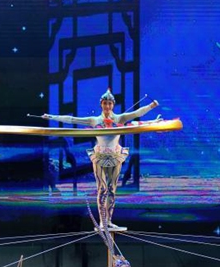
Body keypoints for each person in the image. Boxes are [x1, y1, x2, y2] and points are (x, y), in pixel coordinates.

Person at [42, 89, 159, 230]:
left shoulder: (120, 119)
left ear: (113, 105)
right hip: (99, 157)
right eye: (105, 103)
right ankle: (102, 222)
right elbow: (72, 120)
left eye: (109, 103)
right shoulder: (94, 120)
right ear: (101, 104)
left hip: (116, 156)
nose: (107, 106)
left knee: (112, 190)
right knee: (102, 189)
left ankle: (109, 221)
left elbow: (137, 114)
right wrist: (51, 117)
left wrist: (151, 107)